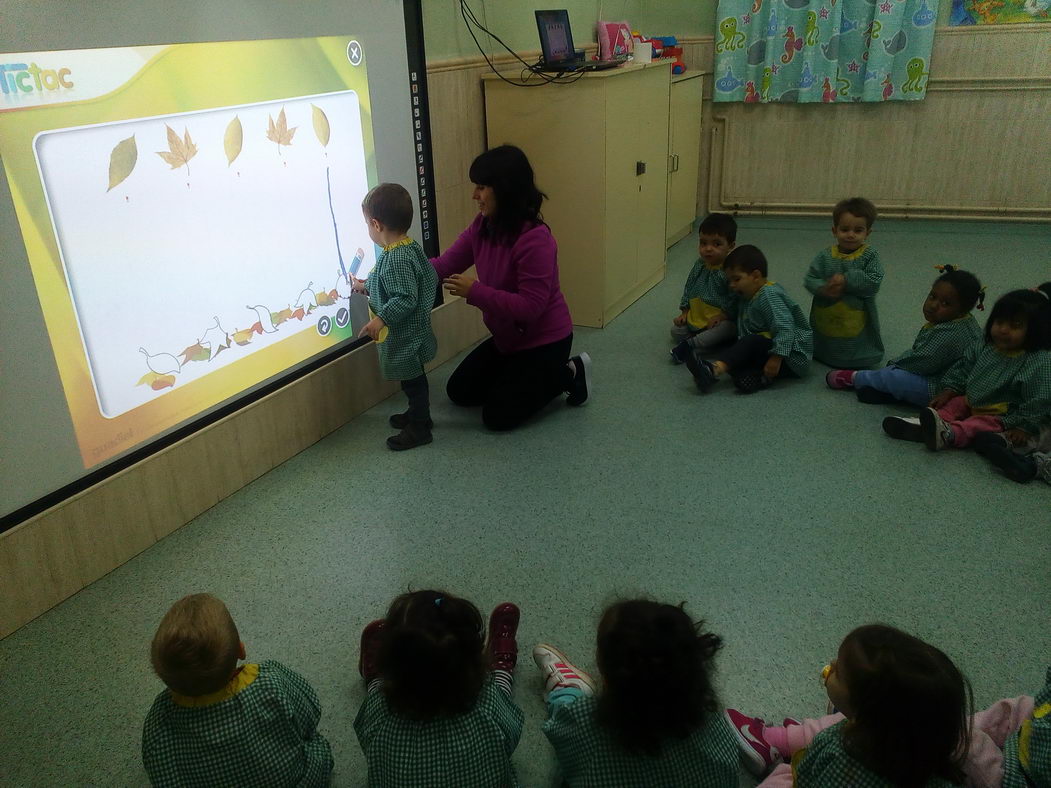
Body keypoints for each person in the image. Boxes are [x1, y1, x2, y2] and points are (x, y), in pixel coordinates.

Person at [430, 145, 589, 431]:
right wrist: (393, 273)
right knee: (459, 392)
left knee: (497, 417)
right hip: (508, 339)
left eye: (481, 187)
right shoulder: (482, 225)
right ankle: (523, 377)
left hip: (546, 342)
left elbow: (530, 308)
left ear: (504, 189)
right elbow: (443, 265)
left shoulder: (535, 240)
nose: (474, 196)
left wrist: (475, 291)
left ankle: (568, 372)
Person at [731, 653, 1051, 787]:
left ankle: (778, 741)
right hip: (1002, 744)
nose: (829, 668)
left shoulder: (838, 747)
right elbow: (1027, 711)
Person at [533, 599, 749, 786]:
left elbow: (565, 750)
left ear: (610, 676)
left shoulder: (581, 721)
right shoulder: (715, 723)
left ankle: (567, 691)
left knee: (567, 708)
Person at [728, 624, 972, 787]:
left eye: (840, 674)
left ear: (869, 710)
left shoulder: (838, 754)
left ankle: (773, 742)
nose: (831, 666)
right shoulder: (929, 750)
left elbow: (805, 779)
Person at [142, 594, 333, 787]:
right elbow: (310, 713)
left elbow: (160, 773)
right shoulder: (269, 683)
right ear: (241, 650)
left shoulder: (161, 721)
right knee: (318, 750)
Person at [354, 590, 524, 786]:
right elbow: (510, 737)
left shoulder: (382, 710)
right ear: (474, 659)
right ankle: (502, 667)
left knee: (377, 689)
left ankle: (375, 678)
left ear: (389, 663)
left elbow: (367, 743)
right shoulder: (488, 704)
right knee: (499, 689)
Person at [883, 284, 1051, 451]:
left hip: (1001, 415)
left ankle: (948, 435)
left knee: (975, 426)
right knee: (950, 406)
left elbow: (1038, 401)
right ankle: (924, 425)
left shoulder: (1038, 361)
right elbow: (964, 367)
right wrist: (950, 389)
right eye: (999, 322)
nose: (1004, 330)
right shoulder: (986, 345)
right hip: (971, 399)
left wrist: (1025, 427)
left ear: (1035, 330)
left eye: (1015, 326)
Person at [353, 183, 438, 451]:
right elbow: (393, 284)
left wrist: (380, 319)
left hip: (406, 336)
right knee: (413, 378)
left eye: (367, 224)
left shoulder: (397, 258)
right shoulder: (407, 248)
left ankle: (420, 426)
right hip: (411, 333)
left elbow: (405, 297)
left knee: (413, 382)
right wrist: (364, 285)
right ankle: (417, 415)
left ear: (376, 225)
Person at [826, 265, 984, 406]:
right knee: (897, 376)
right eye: (932, 296)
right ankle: (888, 394)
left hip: (940, 388)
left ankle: (855, 378)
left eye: (945, 304)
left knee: (893, 377)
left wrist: (894, 364)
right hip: (953, 381)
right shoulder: (964, 321)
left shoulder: (948, 334)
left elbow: (922, 362)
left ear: (962, 310)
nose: (933, 305)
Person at [684, 245, 812, 394]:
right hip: (767, 349)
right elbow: (735, 308)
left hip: (789, 357)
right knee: (734, 355)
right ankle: (758, 378)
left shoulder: (769, 296)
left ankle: (713, 370)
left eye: (736, 279)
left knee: (749, 343)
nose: (731, 285)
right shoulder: (748, 293)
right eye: (730, 280)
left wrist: (776, 358)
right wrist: (722, 316)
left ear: (756, 276)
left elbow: (785, 327)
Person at [804, 197, 884, 370]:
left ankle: (853, 359)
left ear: (867, 233)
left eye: (858, 230)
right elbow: (810, 278)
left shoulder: (870, 256)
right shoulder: (825, 256)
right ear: (834, 230)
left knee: (852, 336)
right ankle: (823, 353)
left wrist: (848, 279)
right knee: (826, 333)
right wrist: (822, 288)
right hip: (826, 310)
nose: (850, 235)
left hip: (856, 313)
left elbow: (874, 280)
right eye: (845, 229)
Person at [669, 213, 738, 363]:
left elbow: (735, 299)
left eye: (716, 244)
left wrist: (722, 316)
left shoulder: (729, 271)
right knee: (676, 331)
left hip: (718, 320)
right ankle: (704, 342)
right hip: (698, 317)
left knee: (728, 329)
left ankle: (692, 345)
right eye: (703, 243)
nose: (708, 249)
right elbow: (689, 287)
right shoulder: (699, 264)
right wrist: (685, 312)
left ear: (730, 246)